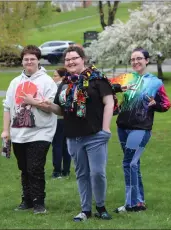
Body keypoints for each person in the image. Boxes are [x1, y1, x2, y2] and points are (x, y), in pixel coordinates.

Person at [38, 46, 116, 221]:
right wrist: (49, 106)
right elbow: (61, 109)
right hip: (73, 136)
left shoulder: (97, 79)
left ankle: (101, 206)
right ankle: (85, 210)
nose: (71, 62)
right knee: (82, 174)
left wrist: (106, 128)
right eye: (67, 60)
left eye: (74, 58)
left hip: (95, 134)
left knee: (97, 173)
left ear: (83, 59)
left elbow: (109, 102)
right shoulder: (66, 84)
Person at [109, 47, 171, 213]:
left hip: (141, 128)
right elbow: (107, 86)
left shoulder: (155, 82)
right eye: (133, 59)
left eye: (139, 59)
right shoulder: (126, 78)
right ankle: (139, 201)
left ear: (146, 60)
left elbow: (166, 104)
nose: (135, 62)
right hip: (122, 127)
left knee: (129, 163)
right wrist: (116, 97)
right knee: (134, 164)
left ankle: (131, 204)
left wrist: (155, 105)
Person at [1, 45, 57, 214]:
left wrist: (33, 102)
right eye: (26, 59)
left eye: (32, 59)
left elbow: (51, 107)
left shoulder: (47, 82)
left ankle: (39, 202)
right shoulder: (15, 82)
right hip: (18, 133)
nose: (29, 62)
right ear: (22, 62)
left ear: (38, 60)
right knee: (24, 168)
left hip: (41, 132)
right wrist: (6, 130)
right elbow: (7, 107)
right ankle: (27, 200)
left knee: (35, 168)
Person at [51, 67, 71, 179]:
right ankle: (66, 170)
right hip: (68, 120)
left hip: (58, 119)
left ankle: (57, 171)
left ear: (62, 77)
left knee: (57, 145)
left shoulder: (56, 87)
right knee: (66, 145)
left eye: (55, 75)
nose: (53, 78)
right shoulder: (69, 86)